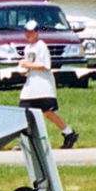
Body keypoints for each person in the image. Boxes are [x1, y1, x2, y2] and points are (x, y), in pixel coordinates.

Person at [17, 19, 80, 148]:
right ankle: (25, 142)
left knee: (48, 113)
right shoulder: (27, 48)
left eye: (31, 31)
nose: (28, 34)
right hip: (31, 86)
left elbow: (45, 65)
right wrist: (23, 70)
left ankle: (69, 133)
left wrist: (26, 64)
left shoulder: (41, 46)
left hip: (43, 86)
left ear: (37, 32)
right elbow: (28, 67)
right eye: (26, 31)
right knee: (24, 113)